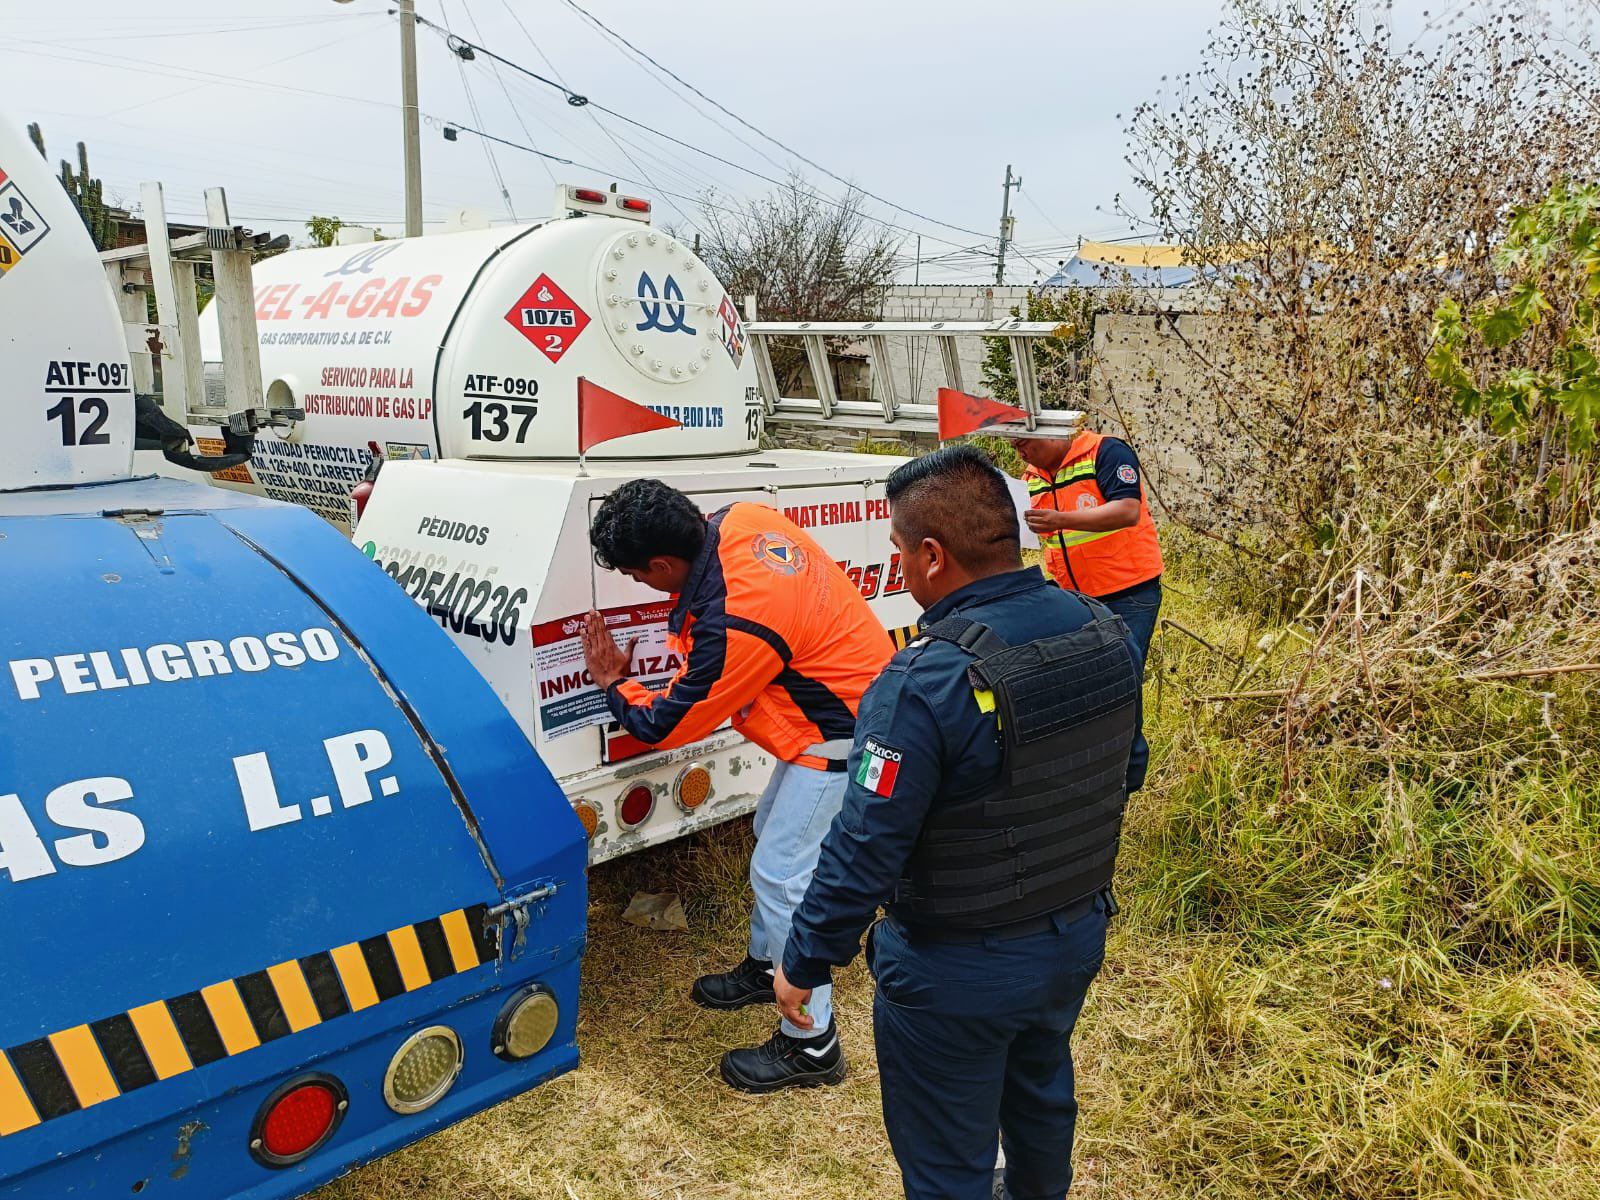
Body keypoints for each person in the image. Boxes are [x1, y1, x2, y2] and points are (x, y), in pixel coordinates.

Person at [773, 445, 1146, 1200]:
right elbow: (1127, 768)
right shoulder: (1106, 633)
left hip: (956, 968)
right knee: (1041, 1093)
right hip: (1073, 937)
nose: (900, 568)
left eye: (900, 551)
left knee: (947, 1161)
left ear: (933, 556)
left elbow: (865, 846)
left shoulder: (922, 680)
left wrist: (804, 959)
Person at [582, 478, 893, 1092]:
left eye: (638, 575)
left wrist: (615, 681)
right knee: (767, 837)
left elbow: (662, 723)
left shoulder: (736, 623)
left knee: (782, 876)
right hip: (842, 709)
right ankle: (767, 966)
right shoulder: (742, 518)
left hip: (841, 734)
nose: (639, 586)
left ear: (665, 563)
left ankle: (812, 1044)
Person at [1013, 430, 1164, 676]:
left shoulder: (1104, 452)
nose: (1021, 454)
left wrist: (1060, 520)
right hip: (1076, 599)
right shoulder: (1030, 479)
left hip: (1128, 593)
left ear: (1048, 433)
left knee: (1123, 676)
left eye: (1023, 444)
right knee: (1091, 680)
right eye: (1014, 448)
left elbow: (1127, 510)